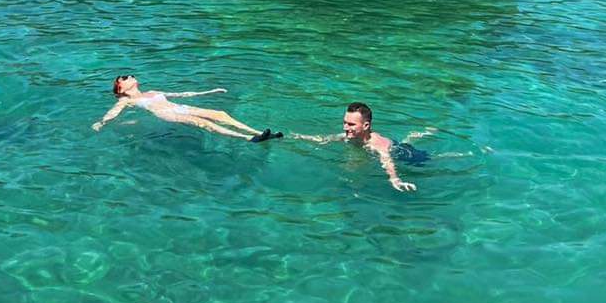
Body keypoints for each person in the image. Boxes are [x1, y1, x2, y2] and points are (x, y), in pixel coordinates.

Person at [93, 75, 281, 142]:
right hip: (166, 114)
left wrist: (211, 91)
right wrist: (101, 123)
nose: (130, 76)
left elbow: (182, 94)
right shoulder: (126, 101)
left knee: (220, 114)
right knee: (203, 123)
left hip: (180, 107)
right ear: (121, 88)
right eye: (125, 77)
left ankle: (260, 133)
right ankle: (249, 138)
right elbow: (113, 112)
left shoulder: (152, 91)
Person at [294, 102, 433, 192]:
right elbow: (325, 139)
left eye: (351, 124)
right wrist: (296, 137)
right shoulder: (349, 135)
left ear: (366, 126)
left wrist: (395, 179)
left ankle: (424, 138)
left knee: (429, 159)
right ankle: (415, 136)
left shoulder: (377, 144)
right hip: (390, 146)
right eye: (345, 123)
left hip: (406, 156)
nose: (345, 127)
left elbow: (386, 160)